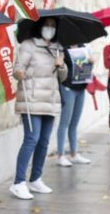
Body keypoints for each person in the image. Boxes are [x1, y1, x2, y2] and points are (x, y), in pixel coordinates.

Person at [10, 16, 67, 200]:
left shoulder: (57, 47)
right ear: (39, 26)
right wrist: (19, 73)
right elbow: (17, 69)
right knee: (31, 139)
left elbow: (63, 77)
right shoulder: (29, 45)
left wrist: (61, 65)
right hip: (32, 100)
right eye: (47, 25)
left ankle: (35, 178)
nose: (49, 28)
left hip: (50, 101)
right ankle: (19, 182)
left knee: (44, 141)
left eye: (53, 25)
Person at [56, 42, 93, 167]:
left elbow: (86, 67)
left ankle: (74, 154)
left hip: (81, 87)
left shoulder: (84, 48)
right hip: (68, 87)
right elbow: (59, 70)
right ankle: (61, 155)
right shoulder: (62, 48)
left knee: (75, 123)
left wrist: (91, 62)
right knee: (64, 122)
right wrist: (59, 61)